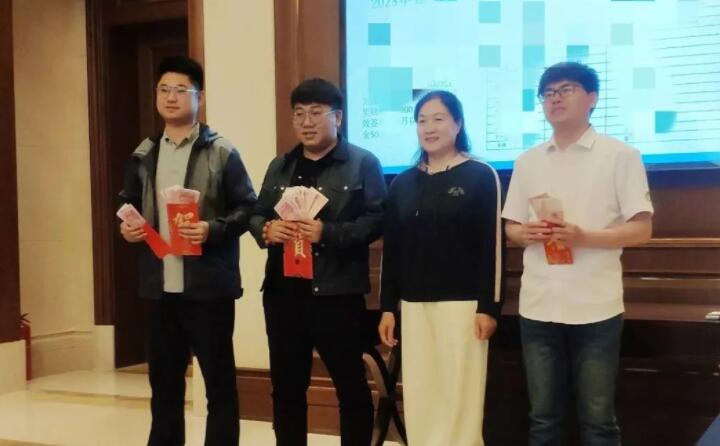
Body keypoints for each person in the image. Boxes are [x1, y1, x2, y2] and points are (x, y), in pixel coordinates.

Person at [502, 61, 654, 445]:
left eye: (565, 89)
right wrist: (525, 233)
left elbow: (642, 229)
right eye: (548, 93)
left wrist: (584, 236)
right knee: (543, 419)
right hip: (538, 305)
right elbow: (511, 228)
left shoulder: (621, 155)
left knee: (598, 419)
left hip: (595, 307)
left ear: (592, 98)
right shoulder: (527, 161)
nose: (555, 99)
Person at [118, 56, 257, 446]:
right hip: (160, 289)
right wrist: (128, 228)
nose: (171, 97)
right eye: (164, 89)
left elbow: (248, 208)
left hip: (208, 289)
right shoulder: (144, 153)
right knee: (163, 387)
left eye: (181, 90)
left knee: (219, 386)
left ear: (200, 97)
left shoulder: (221, 151)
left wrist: (211, 229)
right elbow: (128, 202)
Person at [248, 78, 387, 446]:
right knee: (286, 387)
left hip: (336, 294)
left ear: (337, 117)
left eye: (315, 113)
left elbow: (378, 221)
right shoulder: (280, 165)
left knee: (349, 385)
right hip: (282, 294)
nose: (306, 122)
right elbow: (256, 213)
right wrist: (267, 229)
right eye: (299, 114)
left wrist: (328, 232)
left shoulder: (362, 163)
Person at [378, 90, 504, 446]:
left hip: (463, 306)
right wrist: (387, 307)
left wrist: (489, 307)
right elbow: (393, 249)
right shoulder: (402, 183)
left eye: (438, 119)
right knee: (422, 393)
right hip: (414, 304)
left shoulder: (481, 175)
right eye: (422, 120)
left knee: (460, 394)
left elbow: (492, 247)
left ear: (457, 124)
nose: (429, 128)